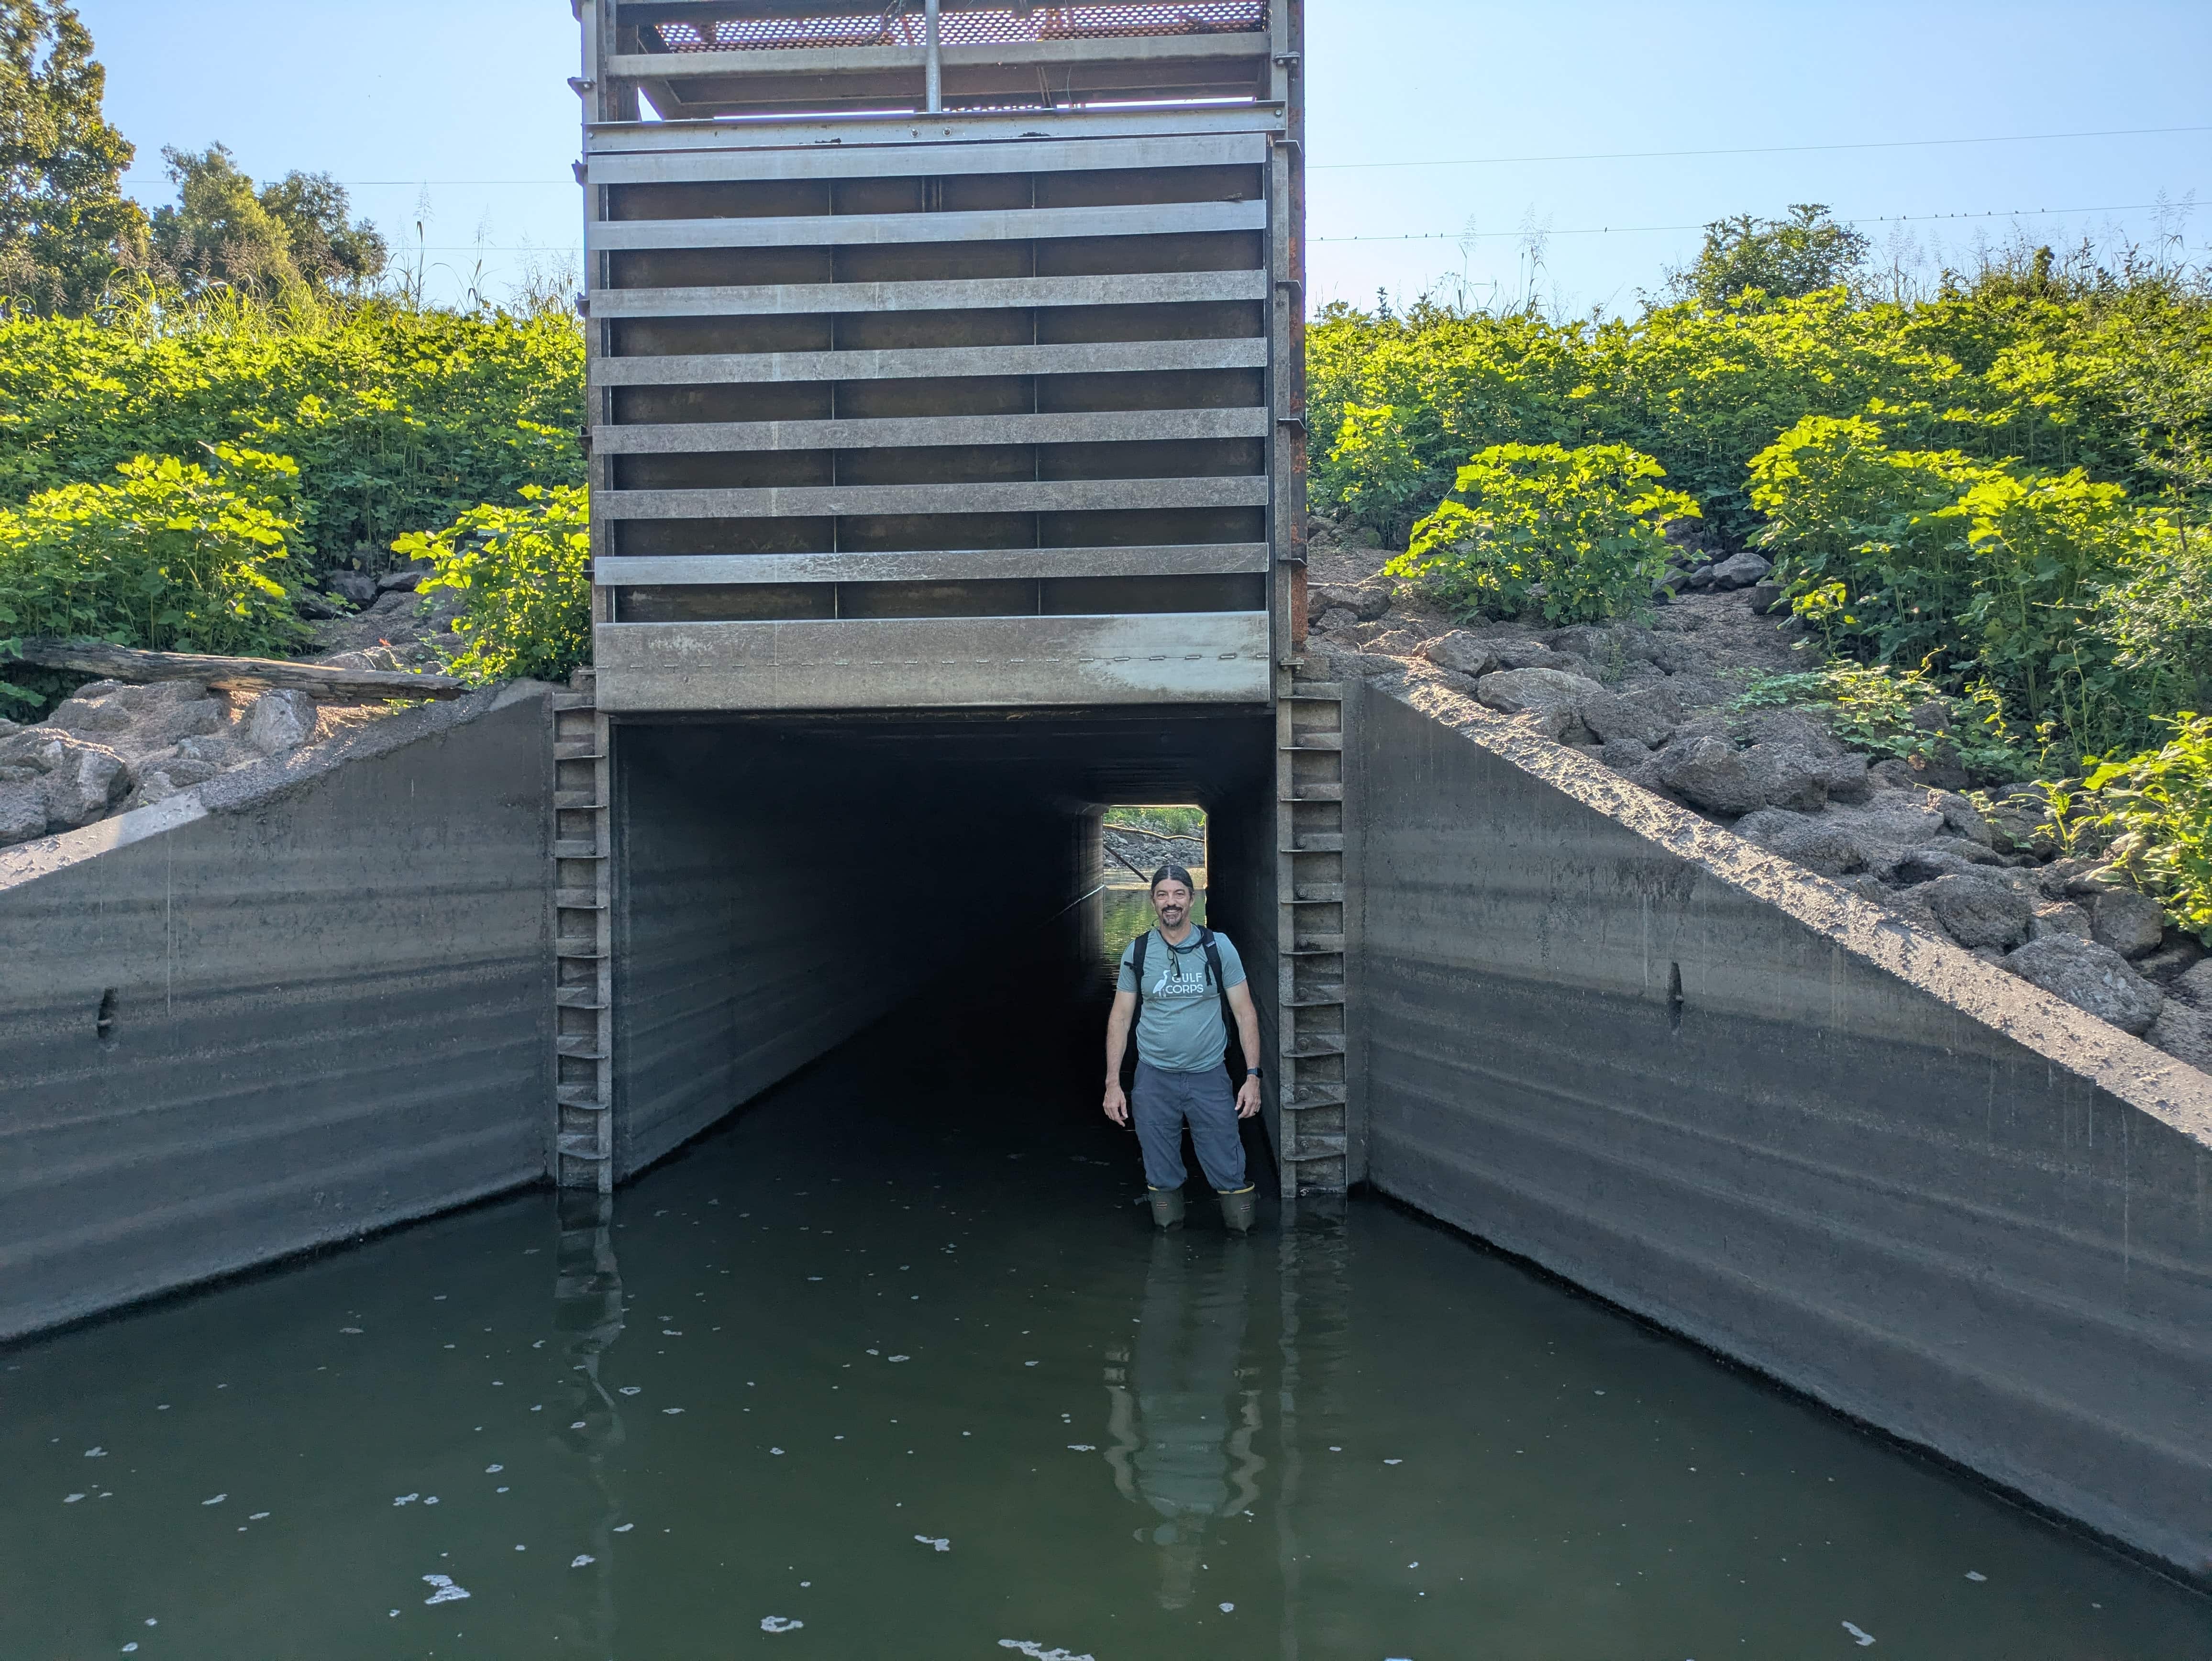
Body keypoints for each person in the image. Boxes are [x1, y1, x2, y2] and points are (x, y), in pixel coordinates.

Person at [1102, 863, 1263, 1232]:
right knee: (1160, 1170)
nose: (1170, 902)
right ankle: (1169, 1245)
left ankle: (1243, 1245)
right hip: (1154, 1079)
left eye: (1179, 894)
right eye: (1162, 894)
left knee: (1228, 1166)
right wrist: (1113, 1083)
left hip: (1209, 1076)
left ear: (1193, 899)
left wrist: (1252, 1076)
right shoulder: (1138, 951)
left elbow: (1244, 1012)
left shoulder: (1218, 947)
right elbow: (1121, 1018)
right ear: (1153, 901)